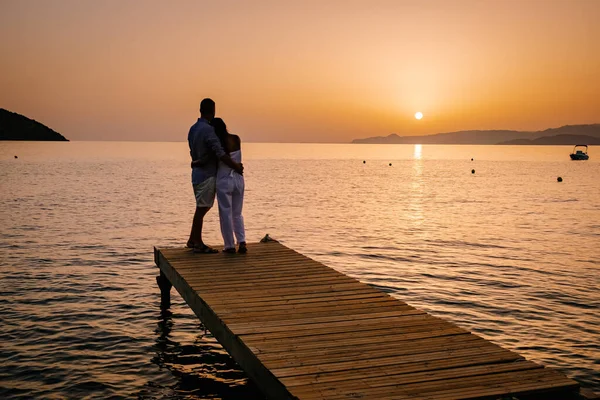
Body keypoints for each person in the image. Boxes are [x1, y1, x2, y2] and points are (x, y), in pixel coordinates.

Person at [187, 98, 243, 253]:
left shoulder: (193, 129)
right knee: (202, 208)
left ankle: (192, 239)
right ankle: (197, 242)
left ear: (200, 110)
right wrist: (236, 166)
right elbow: (220, 153)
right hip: (207, 175)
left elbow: (193, 151)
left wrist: (197, 162)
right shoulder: (208, 130)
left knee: (201, 207)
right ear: (213, 110)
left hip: (196, 175)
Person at [212, 118, 247, 254]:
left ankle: (229, 245)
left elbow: (219, 160)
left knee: (225, 213)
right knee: (237, 213)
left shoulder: (217, 144)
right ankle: (242, 241)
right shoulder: (236, 139)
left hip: (224, 179)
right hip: (238, 179)